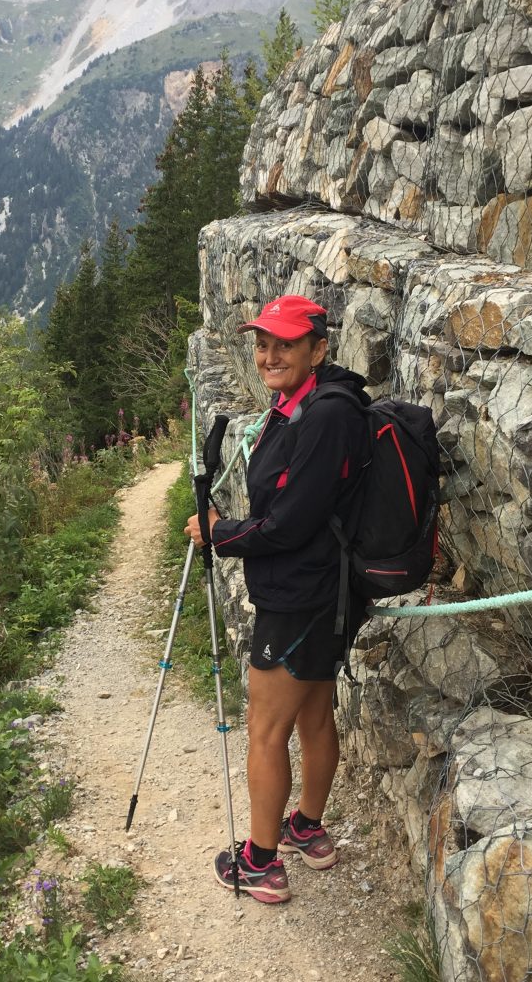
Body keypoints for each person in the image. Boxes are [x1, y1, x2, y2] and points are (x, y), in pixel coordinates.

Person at [185, 293, 371, 904]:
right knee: (314, 715)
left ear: (318, 348)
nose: (268, 354)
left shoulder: (322, 416)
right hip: (324, 591)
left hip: (301, 594)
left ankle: (260, 862)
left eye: (284, 344)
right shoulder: (304, 403)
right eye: (262, 342)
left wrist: (220, 533)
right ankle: (307, 828)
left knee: (266, 728)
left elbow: (290, 524)